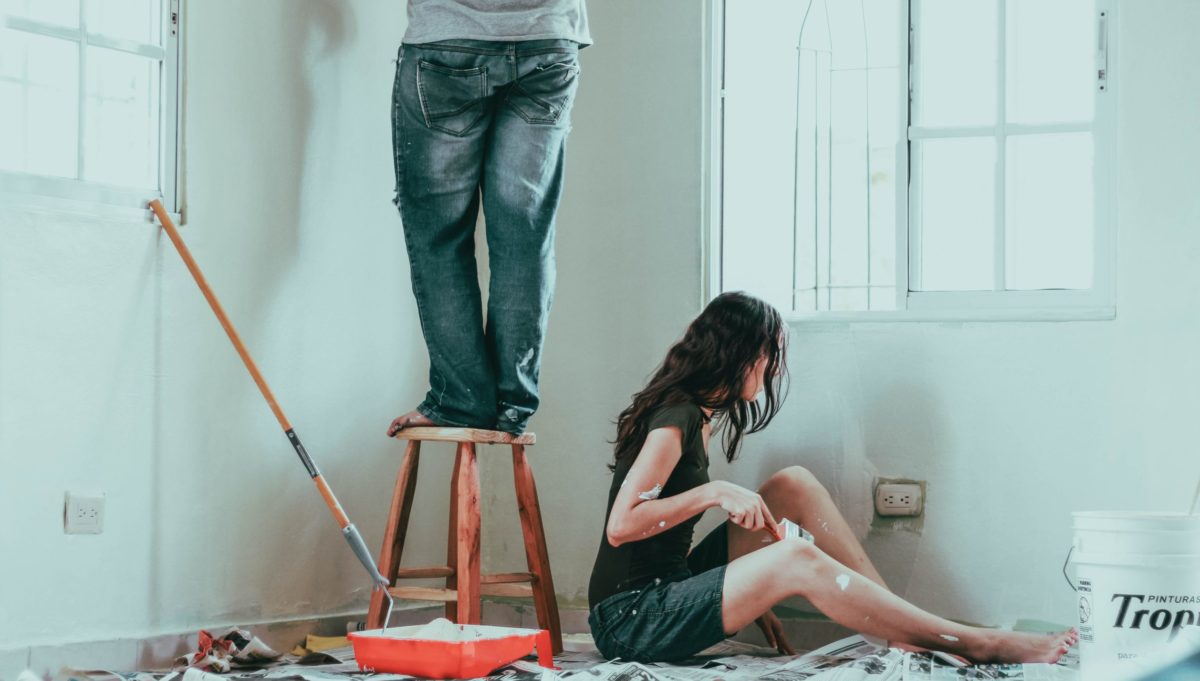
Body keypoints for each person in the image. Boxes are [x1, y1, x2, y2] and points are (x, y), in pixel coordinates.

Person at [586, 291, 1078, 663]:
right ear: (742, 354)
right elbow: (622, 525)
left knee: (791, 484)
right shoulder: (678, 418)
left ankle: (895, 623)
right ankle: (980, 641)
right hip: (630, 618)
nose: (774, 372)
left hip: (668, 586)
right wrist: (714, 492)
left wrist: (743, 591)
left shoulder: (700, 414)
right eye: (769, 356)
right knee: (794, 555)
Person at [386, 1, 589, 436]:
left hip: (446, 42)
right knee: (525, 237)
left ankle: (460, 400)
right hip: (547, 40)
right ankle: (512, 404)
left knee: (440, 240)